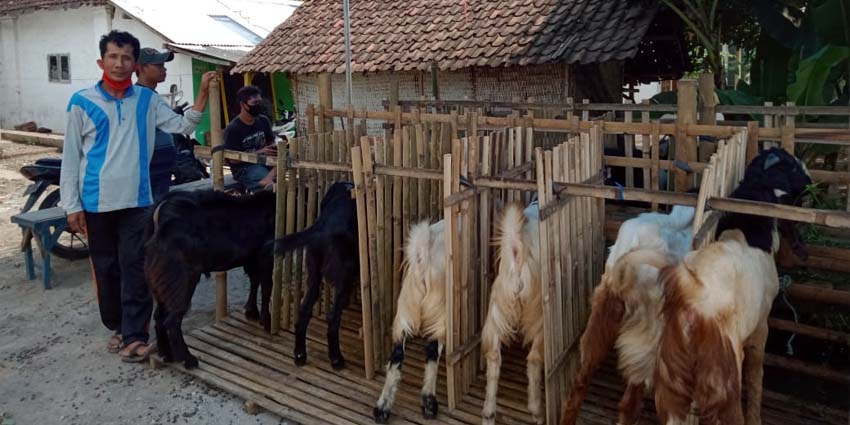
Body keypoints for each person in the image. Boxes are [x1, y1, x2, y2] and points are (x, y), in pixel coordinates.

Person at [59, 30, 216, 363]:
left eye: (126, 58)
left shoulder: (147, 102)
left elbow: (182, 127)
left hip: (138, 201)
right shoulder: (82, 102)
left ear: (134, 65)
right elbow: (71, 158)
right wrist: (71, 205)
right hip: (95, 202)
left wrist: (201, 94)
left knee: (136, 266)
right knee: (106, 268)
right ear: (102, 61)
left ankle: (134, 335)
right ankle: (116, 326)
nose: (119, 63)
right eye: (113, 57)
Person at [135, 47, 177, 203]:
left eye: (163, 65)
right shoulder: (137, 97)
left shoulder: (153, 95)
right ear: (140, 68)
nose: (164, 69)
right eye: (158, 66)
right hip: (147, 172)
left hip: (161, 169)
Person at [223, 85, 277, 192]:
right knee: (260, 173)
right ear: (243, 105)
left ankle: (268, 178)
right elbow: (233, 160)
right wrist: (260, 152)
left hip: (264, 161)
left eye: (260, 102)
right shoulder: (233, 129)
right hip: (244, 167)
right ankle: (266, 181)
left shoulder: (263, 120)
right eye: (255, 103)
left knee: (289, 155)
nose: (258, 106)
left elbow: (271, 142)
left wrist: (274, 149)